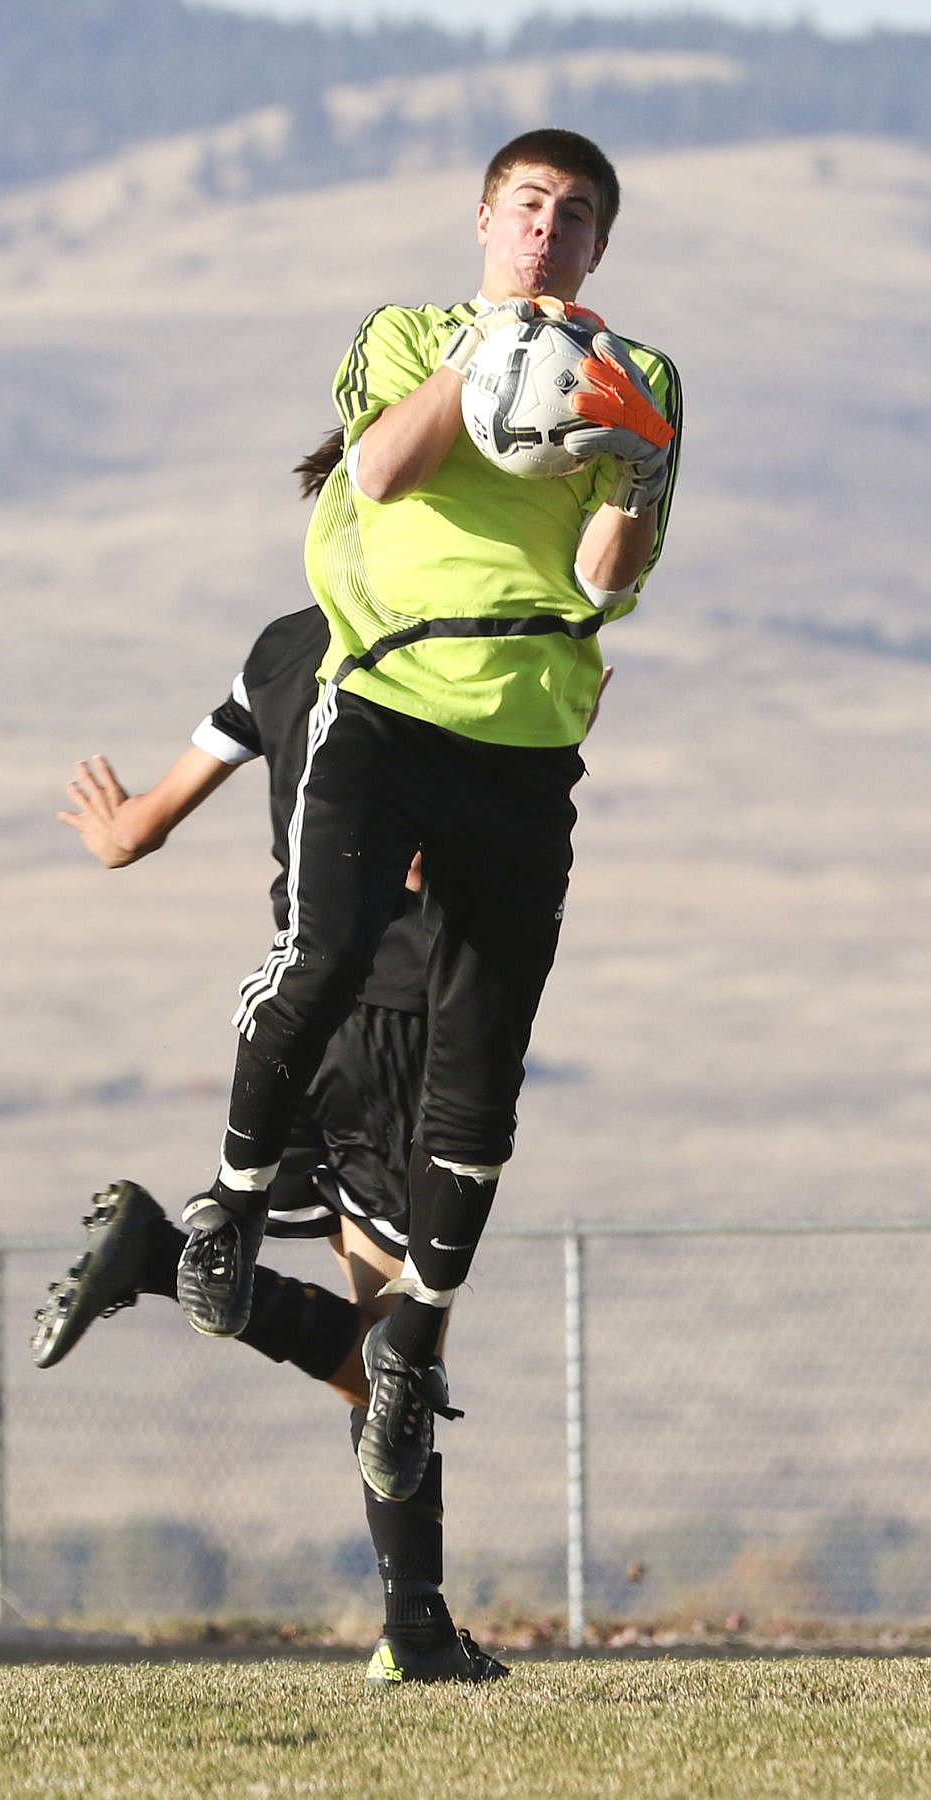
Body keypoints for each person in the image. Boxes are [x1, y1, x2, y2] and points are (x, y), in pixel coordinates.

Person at [171, 127, 682, 1510]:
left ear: (600, 246)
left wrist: (629, 468)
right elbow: (384, 472)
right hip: (388, 699)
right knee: (324, 954)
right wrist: (489, 365)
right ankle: (221, 1204)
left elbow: (601, 576)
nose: (546, 230)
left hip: (522, 742)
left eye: (575, 215)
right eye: (527, 206)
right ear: (482, 220)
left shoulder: (644, 380)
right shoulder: (402, 334)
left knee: (485, 1064)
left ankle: (406, 1349)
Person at [33, 486, 508, 1682]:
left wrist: (110, 834)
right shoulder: (449, 662)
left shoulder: (281, 648)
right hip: (406, 1020)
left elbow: (136, 829)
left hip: (292, 1021)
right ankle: (152, 1254)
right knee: (400, 1345)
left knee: (377, 1354)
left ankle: (416, 1628)